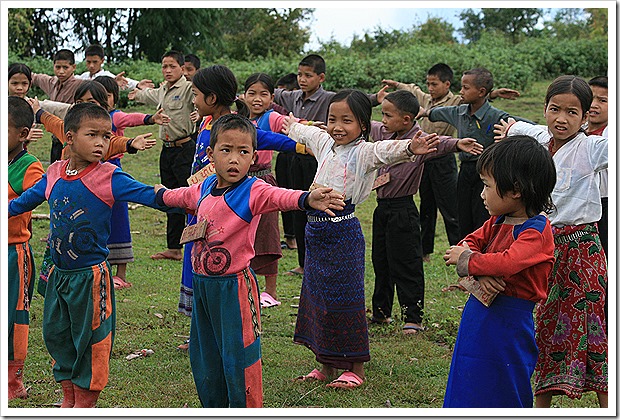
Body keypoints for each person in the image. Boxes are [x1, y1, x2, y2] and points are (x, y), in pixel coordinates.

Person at [154, 113, 345, 407]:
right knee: (206, 356)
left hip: (234, 289)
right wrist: (146, 193)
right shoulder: (203, 188)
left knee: (239, 358)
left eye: (243, 152)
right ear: (210, 155)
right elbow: (174, 196)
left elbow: (281, 196)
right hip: (204, 288)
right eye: (226, 150)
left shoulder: (254, 190)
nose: (234, 159)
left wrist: (307, 199)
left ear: (253, 157)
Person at [8, 102, 171, 408]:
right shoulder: (54, 172)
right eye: (92, 135)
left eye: (106, 136)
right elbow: (23, 201)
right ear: (69, 137)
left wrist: (187, 197)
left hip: (90, 277)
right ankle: (69, 396)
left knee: (92, 339)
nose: (101, 143)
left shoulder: (109, 176)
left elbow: (149, 195)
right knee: (57, 335)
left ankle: (85, 401)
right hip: (58, 274)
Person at [282, 89, 440, 389]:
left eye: (347, 121)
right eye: (332, 119)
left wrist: (411, 148)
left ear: (363, 126)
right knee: (320, 299)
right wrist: (291, 124)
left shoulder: (364, 152)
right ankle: (325, 364)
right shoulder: (325, 142)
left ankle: (355, 368)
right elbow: (305, 132)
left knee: (346, 301)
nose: (337, 126)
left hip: (343, 234)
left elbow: (387, 151)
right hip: (315, 232)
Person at [175, 65, 309, 350]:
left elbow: (265, 138)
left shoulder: (234, 126)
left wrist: (299, 145)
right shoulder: (206, 122)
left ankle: (219, 330)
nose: (193, 101)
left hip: (222, 205)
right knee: (195, 261)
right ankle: (200, 331)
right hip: (200, 201)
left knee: (216, 261)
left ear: (211, 98)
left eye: (196, 95)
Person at [496, 75, 608, 408]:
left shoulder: (593, 148)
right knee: (543, 324)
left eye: (572, 112)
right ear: (545, 108)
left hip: (581, 251)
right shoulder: (540, 140)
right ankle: (539, 408)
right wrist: (510, 128)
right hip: (543, 246)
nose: (561, 118)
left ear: (585, 117)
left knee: (592, 326)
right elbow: (521, 127)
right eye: (555, 109)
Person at [443, 135, 556, 407]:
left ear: (515, 189)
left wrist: (470, 262)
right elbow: (464, 245)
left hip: (510, 322)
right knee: (468, 377)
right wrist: (479, 270)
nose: (482, 194)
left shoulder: (537, 231)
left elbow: (508, 262)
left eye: (487, 186)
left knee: (505, 382)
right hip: (478, 314)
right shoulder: (496, 221)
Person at [369, 89, 483, 333]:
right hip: (382, 209)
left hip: (403, 210)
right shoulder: (382, 132)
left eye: (388, 115)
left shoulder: (419, 138)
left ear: (407, 119)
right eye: (383, 114)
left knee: (406, 263)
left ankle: (412, 316)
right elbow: (365, 123)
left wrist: (457, 144)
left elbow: (439, 143)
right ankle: (381, 312)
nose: (384, 120)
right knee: (381, 261)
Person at [420, 67, 520, 240]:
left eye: (466, 88)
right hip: (465, 172)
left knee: (482, 216)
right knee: (462, 215)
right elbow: (437, 113)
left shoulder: (496, 116)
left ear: (481, 92)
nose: (461, 91)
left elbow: (522, 126)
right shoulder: (459, 112)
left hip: (487, 173)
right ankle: (466, 254)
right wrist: (426, 112)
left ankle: (483, 256)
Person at [95, 75, 170, 289]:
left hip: (111, 172)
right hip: (91, 173)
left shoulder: (114, 116)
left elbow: (130, 119)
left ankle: (121, 274)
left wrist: (150, 119)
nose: (100, 100)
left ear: (114, 98)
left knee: (119, 220)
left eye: (105, 96)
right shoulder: (86, 120)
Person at [243, 72, 309, 307]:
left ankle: (270, 291)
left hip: (263, 180)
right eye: (252, 93)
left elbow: (289, 125)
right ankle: (245, 285)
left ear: (272, 98)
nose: (257, 99)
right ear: (243, 96)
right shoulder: (240, 121)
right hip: (240, 182)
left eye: (263, 94)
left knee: (268, 234)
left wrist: (307, 126)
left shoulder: (271, 117)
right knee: (242, 234)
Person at [129, 50, 197, 262]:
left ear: (182, 68)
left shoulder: (188, 88)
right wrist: (132, 88)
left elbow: (205, 98)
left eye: (172, 66)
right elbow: (145, 94)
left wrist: (200, 113)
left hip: (185, 149)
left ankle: (195, 244)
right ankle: (174, 248)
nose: (167, 70)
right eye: (164, 66)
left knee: (189, 197)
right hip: (166, 149)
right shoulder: (162, 90)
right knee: (170, 197)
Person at [273, 54, 332, 276]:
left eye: (308, 75)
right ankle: (303, 262)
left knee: (316, 208)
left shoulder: (328, 99)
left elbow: (357, 99)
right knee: (296, 206)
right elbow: (273, 93)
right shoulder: (293, 97)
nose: (302, 79)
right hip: (293, 157)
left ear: (321, 77)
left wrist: (376, 97)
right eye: (300, 74)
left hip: (315, 160)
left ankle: (319, 261)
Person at [7, 96, 45, 400]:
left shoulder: (29, 166)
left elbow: (36, 195)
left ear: (22, 134)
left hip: (13, 253)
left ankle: (12, 381)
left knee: (15, 316)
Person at [31, 49, 84, 163]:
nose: (61, 71)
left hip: (70, 138)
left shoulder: (79, 85)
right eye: (58, 67)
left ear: (73, 67)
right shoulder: (51, 83)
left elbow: (96, 85)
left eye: (65, 68)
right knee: (54, 169)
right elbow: (33, 77)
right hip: (55, 136)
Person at [8, 63, 44, 143]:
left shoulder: (32, 106)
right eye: (14, 83)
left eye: (24, 84)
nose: (19, 88)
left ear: (30, 85)